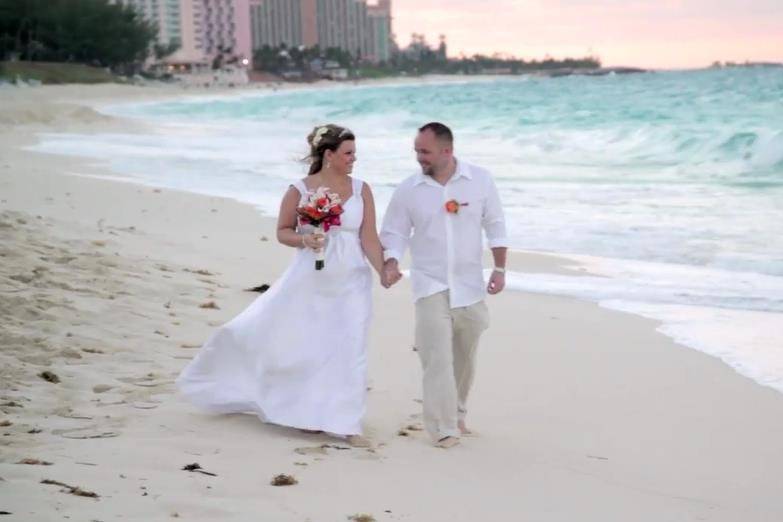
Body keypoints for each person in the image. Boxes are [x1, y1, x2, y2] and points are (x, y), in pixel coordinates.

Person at [176, 124, 386, 448]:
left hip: (352, 278)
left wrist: (384, 269)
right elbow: (283, 231)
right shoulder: (299, 190)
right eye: (348, 153)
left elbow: (368, 236)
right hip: (311, 277)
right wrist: (306, 239)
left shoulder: (362, 190)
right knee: (308, 344)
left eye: (355, 153)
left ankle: (347, 422)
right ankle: (304, 410)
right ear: (328, 155)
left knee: (351, 346)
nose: (354, 159)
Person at [381, 122, 509, 449]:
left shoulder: (479, 180)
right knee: (436, 355)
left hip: (469, 285)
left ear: (447, 151)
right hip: (429, 283)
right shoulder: (409, 189)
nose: (418, 157)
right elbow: (394, 231)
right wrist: (392, 261)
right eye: (416, 150)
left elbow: (495, 225)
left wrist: (500, 268)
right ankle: (443, 427)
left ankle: (458, 412)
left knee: (465, 355)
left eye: (424, 151)